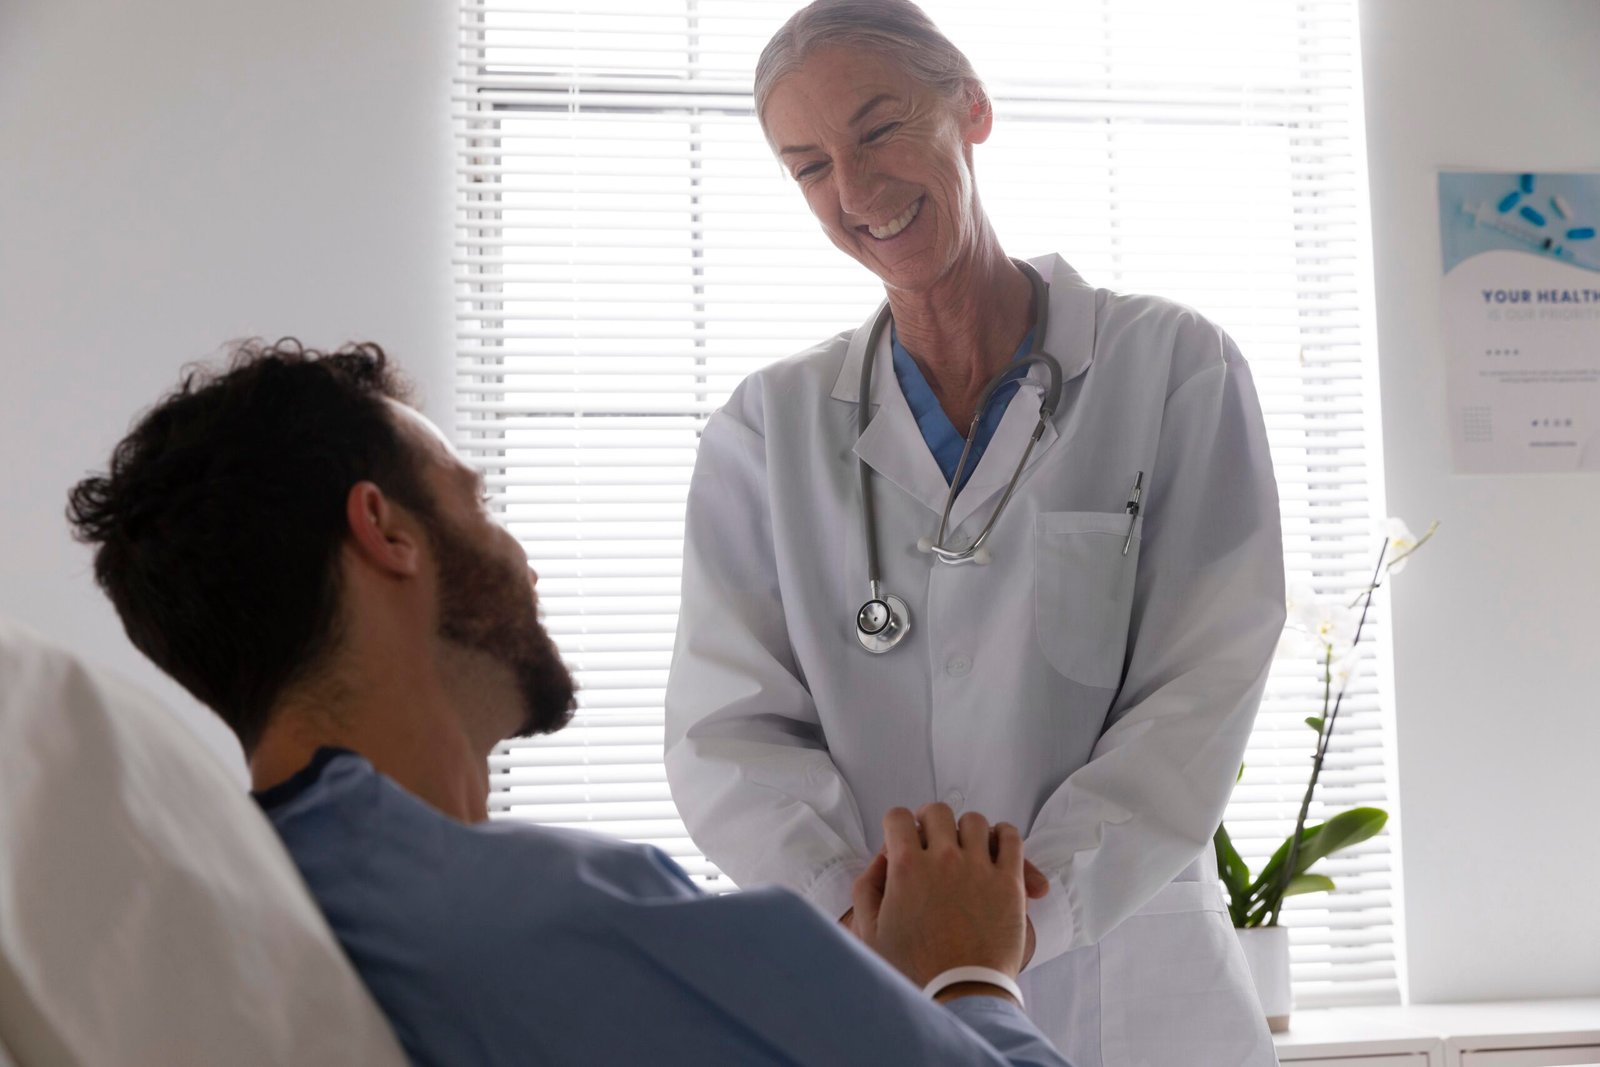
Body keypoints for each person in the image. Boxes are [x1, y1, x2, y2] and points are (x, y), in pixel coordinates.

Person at [67, 340, 1073, 1067]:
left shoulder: (260, 900)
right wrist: (966, 971)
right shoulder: (522, 912)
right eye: (472, 499)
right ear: (387, 530)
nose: (521, 555)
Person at [662, 3, 1286, 1065]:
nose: (854, 192)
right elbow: (725, 729)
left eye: (878, 129)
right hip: (876, 983)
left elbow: (1201, 684)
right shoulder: (766, 427)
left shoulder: (1172, 367)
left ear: (971, 109)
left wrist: (1018, 921)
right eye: (809, 166)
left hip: (1130, 988)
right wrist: (863, 916)